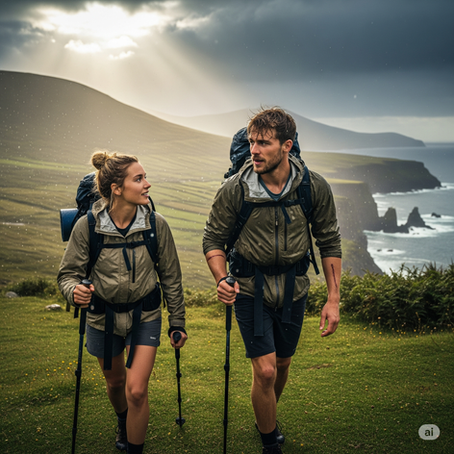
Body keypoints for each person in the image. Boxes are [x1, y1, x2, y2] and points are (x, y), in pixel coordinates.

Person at [203, 108, 341, 454]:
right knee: (264, 372)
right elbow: (212, 240)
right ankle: (269, 442)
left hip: (295, 287)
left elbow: (329, 241)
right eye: (251, 142)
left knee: (281, 365)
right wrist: (222, 278)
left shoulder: (313, 187)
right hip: (249, 287)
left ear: (286, 146)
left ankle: (266, 416)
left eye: (263, 143)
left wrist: (333, 298)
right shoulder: (235, 189)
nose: (254, 150)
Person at [58, 151, 187, 454]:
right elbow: (67, 275)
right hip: (102, 318)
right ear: (117, 188)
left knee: (137, 390)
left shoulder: (157, 225)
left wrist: (177, 322)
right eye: (139, 179)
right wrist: (73, 291)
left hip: (146, 315)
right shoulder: (87, 227)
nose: (147, 185)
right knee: (116, 384)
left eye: (145, 177)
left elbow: (171, 277)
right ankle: (123, 418)